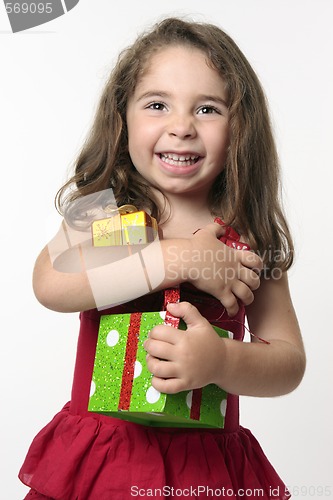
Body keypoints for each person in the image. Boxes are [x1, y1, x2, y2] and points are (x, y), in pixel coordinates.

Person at [19, 17, 306, 499]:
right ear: (122, 116)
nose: (181, 127)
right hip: (102, 461)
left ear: (241, 127)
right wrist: (173, 261)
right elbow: (51, 284)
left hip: (204, 473)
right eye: (157, 105)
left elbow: (289, 362)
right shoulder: (110, 209)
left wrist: (221, 360)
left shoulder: (247, 237)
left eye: (208, 109)